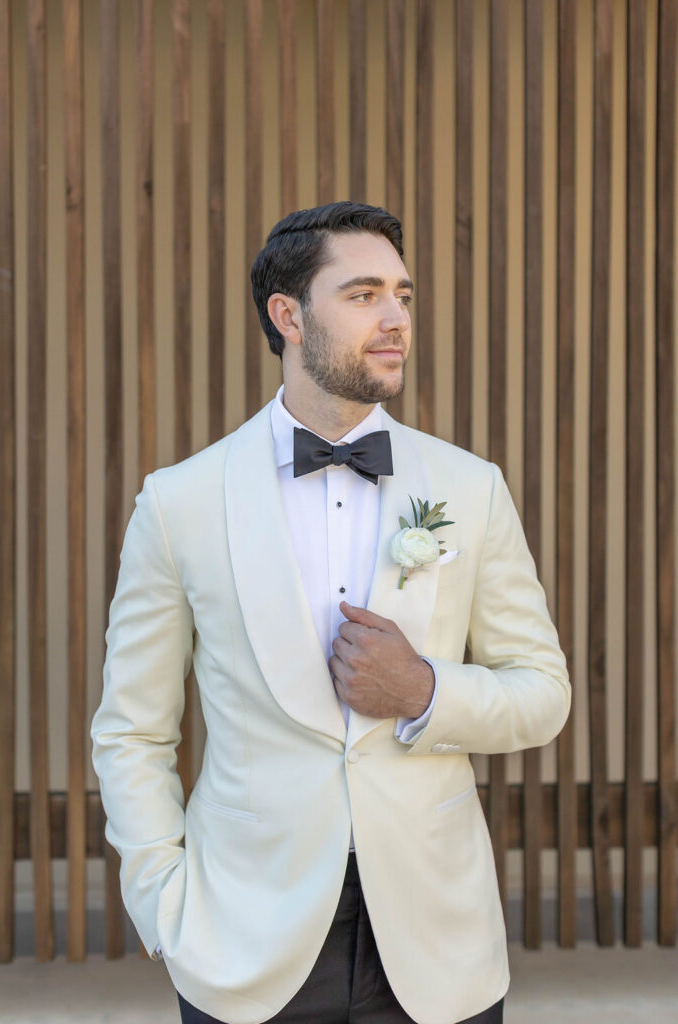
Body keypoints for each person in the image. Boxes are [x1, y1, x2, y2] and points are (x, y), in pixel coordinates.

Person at [91, 201, 571, 1024]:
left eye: (403, 295)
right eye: (362, 295)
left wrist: (423, 692)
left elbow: (542, 693)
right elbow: (132, 730)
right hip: (244, 936)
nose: (394, 320)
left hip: (433, 944)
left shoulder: (468, 487)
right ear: (288, 316)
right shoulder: (180, 503)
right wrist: (159, 899)